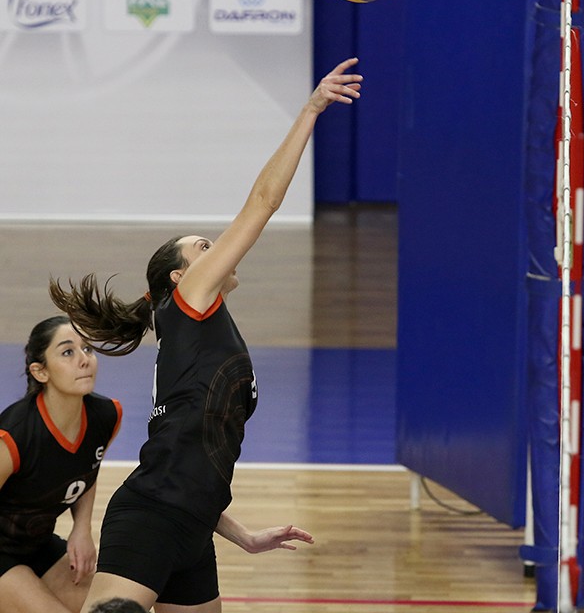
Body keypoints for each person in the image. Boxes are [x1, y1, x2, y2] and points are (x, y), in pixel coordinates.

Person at [49, 58, 363, 613]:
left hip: (192, 527)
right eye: (203, 247)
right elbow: (263, 203)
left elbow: (189, 457)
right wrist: (311, 110)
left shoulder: (198, 329)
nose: (216, 248)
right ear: (181, 277)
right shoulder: (189, 302)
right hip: (150, 519)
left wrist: (241, 535)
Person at [0, 316, 122, 613]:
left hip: (38, 546)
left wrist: (82, 528)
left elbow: (87, 471)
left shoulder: (106, 416)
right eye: (68, 352)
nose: (84, 359)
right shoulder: (15, 435)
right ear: (40, 371)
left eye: (87, 349)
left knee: (114, 608)